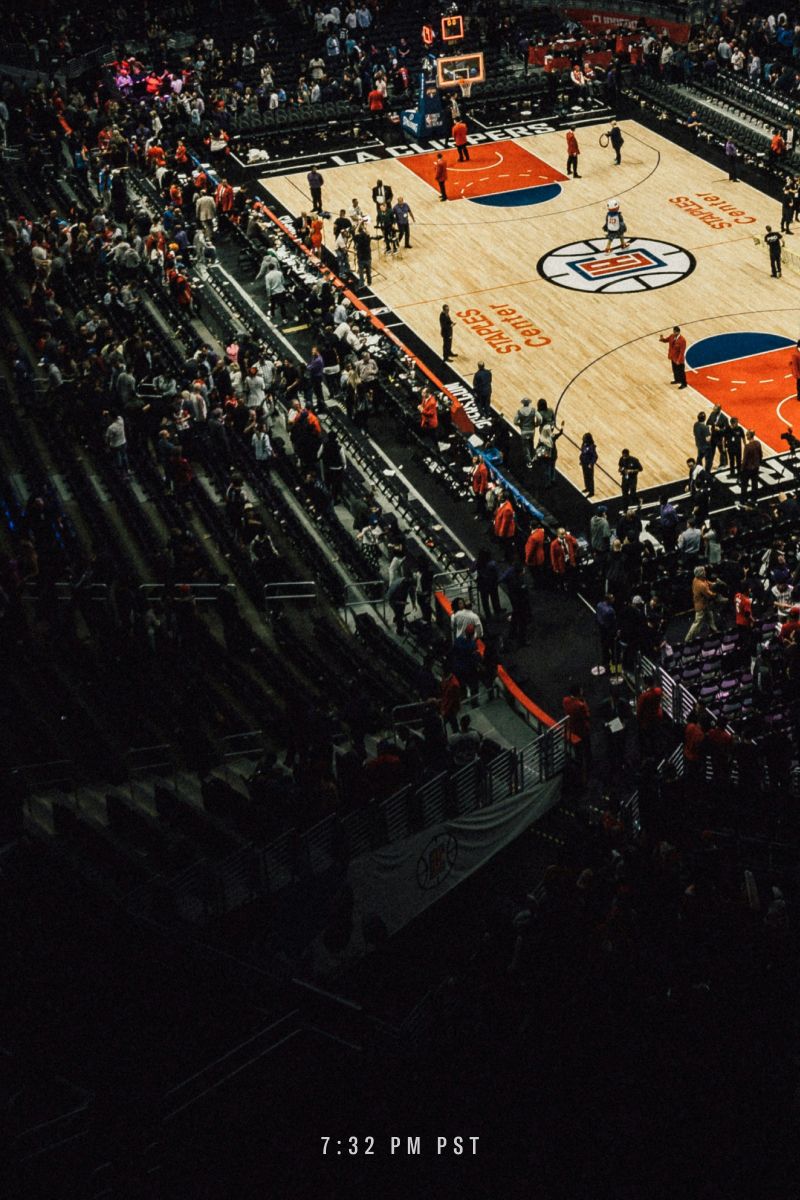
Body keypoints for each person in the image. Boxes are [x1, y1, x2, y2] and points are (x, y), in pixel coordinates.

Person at [563, 683, 591, 775]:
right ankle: (587, 766)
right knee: (586, 748)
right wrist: (584, 701)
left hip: (571, 728)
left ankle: (579, 764)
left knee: (577, 750)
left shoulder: (565, 700)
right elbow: (587, 716)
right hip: (582, 730)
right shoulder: (580, 705)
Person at [685, 565, 718, 642]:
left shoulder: (697, 579)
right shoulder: (700, 585)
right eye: (704, 571)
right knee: (697, 623)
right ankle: (688, 639)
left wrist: (713, 584)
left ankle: (714, 629)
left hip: (705, 604)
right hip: (701, 605)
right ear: (701, 573)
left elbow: (707, 582)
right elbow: (709, 594)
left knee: (710, 616)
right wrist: (716, 593)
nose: (705, 572)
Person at [740, 429, 763, 501]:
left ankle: (743, 499)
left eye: (747, 435)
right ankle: (754, 498)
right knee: (754, 483)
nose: (746, 436)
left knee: (744, 485)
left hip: (748, 468)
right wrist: (758, 463)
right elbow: (760, 455)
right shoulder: (758, 443)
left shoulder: (747, 446)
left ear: (749, 436)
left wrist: (742, 468)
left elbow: (745, 459)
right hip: (756, 467)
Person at [514, 397, 536, 465]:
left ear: (523, 404)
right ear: (529, 403)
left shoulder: (519, 411)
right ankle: (533, 457)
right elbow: (540, 419)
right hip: (532, 431)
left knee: (526, 446)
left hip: (524, 431)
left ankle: (529, 461)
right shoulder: (533, 410)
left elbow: (515, 421)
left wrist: (520, 425)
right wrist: (536, 424)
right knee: (531, 443)